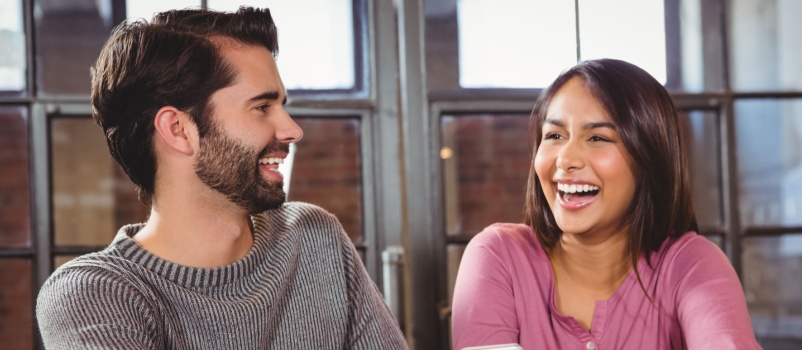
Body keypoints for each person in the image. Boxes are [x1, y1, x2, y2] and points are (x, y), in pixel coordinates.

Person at [36, 7, 407, 349]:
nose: (293, 130)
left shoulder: (315, 238)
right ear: (179, 129)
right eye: (262, 107)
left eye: (282, 106)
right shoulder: (96, 294)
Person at [451, 59, 761, 349]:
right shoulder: (498, 257)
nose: (566, 159)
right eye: (555, 135)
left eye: (598, 138)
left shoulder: (692, 264)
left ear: (649, 158)